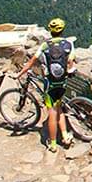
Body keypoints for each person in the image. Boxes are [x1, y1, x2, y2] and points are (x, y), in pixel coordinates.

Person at [16, 18, 76, 152]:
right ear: (62, 30)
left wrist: (20, 74)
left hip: (50, 84)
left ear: (51, 31)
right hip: (63, 82)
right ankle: (65, 135)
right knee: (59, 108)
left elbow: (32, 62)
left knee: (52, 113)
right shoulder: (68, 44)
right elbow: (70, 62)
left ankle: (53, 143)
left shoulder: (45, 45)